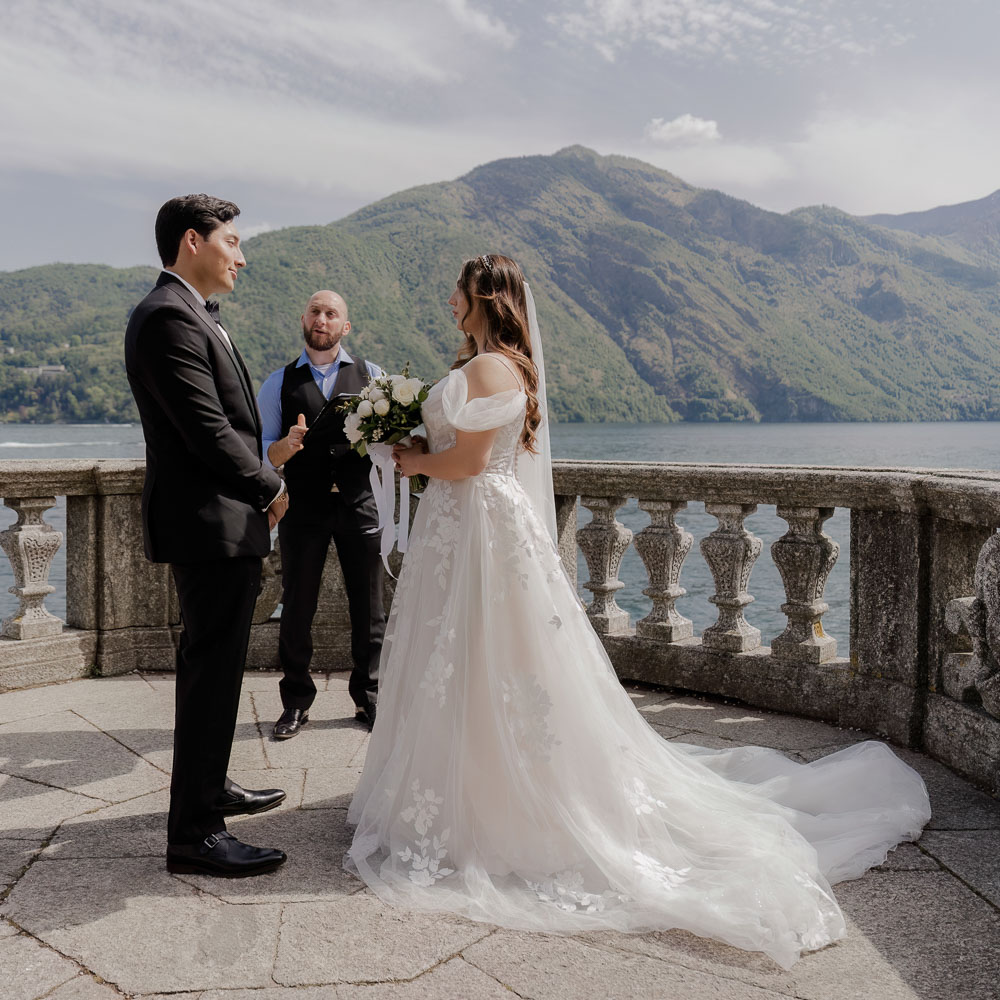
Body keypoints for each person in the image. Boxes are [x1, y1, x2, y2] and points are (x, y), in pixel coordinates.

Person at [345, 254, 932, 969]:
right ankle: (460, 786)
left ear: (485, 298)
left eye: (458, 290)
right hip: (464, 529)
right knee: (465, 658)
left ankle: (491, 804)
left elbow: (468, 464)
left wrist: (411, 461)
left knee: (484, 655)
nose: (449, 299)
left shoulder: (492, 368)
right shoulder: (489, 365)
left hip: (479, 532)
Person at [125, 195, 289, 878]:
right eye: (232, 241)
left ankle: (210, 787)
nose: (241, 257)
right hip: (208, 524)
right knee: (211, 674)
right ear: (193, 241)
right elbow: (208, 430)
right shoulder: (168, 316)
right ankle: (194, 835)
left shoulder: (191, 313)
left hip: (220, 522)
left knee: (216, 672)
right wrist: (270, 486)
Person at [257, 291, 385, 737]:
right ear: (303, 319)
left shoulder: (373, 377)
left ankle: (369, 697)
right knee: (297, 606)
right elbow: (262, 454)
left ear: (345, 327)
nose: (322, 319)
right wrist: (285, 446)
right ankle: (295, 702)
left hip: (359, 503)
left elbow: (389, 444)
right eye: (315, 311)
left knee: (370, 607)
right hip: (303, 507)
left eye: (331, 314)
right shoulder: (277, 383)